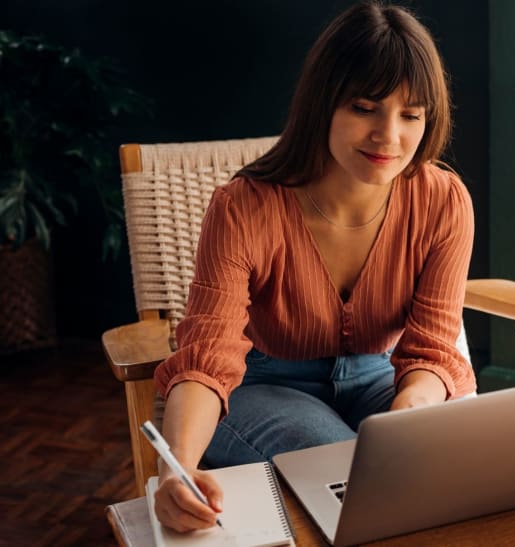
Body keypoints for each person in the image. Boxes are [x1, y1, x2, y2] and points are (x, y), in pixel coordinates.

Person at [151, 2, 476, 532]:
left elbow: (433, 350)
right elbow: (207, 358)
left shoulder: (444, 201)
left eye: (410, 115)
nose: (388, 136)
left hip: (383, 374)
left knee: (449, 472)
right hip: (264, 384)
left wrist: (411, 413)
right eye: (365, 107)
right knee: (352, 477)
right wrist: (179, 466)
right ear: (322, 105)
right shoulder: (241, 207)